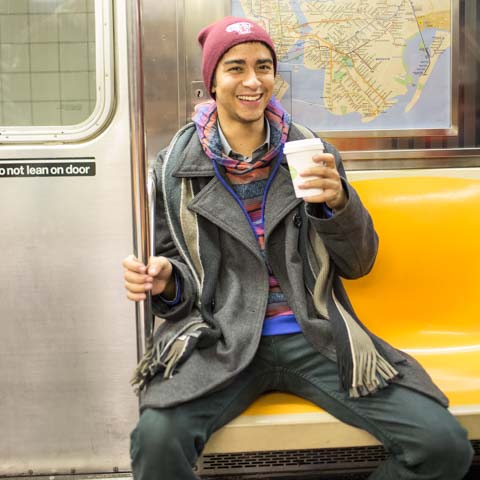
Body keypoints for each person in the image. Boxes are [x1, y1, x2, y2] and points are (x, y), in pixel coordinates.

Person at [123, 16, 473, 480]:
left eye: (263, 66)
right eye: (236, 68)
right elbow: (180, 291)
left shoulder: (312, 150)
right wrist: (166, 281)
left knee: (443, 446)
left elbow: (359, 263)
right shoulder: (176, 169)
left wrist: (338, 206)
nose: (253, 80)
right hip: (223, 339)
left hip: (318, 335)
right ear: (212, 81)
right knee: (156, 441)